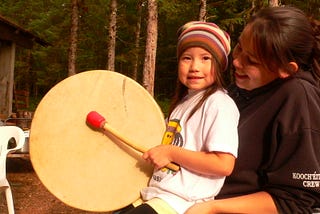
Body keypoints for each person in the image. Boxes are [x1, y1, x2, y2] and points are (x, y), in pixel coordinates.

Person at [185, 6, 320, 214]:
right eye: (239, 48)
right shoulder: (239, 90)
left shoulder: (297, 99)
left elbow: (295, 202)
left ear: (286, 69)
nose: (237, 62)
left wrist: (212, 208)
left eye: (252, 61)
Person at [118, 21, 240, 214]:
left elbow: (224, 164)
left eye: (205, 58)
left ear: (220, 65)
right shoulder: (183, 103)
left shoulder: (219, 104)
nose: (194, 67)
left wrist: (172, 153)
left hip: (182, 203)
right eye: (186, 58)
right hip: (155, 195)